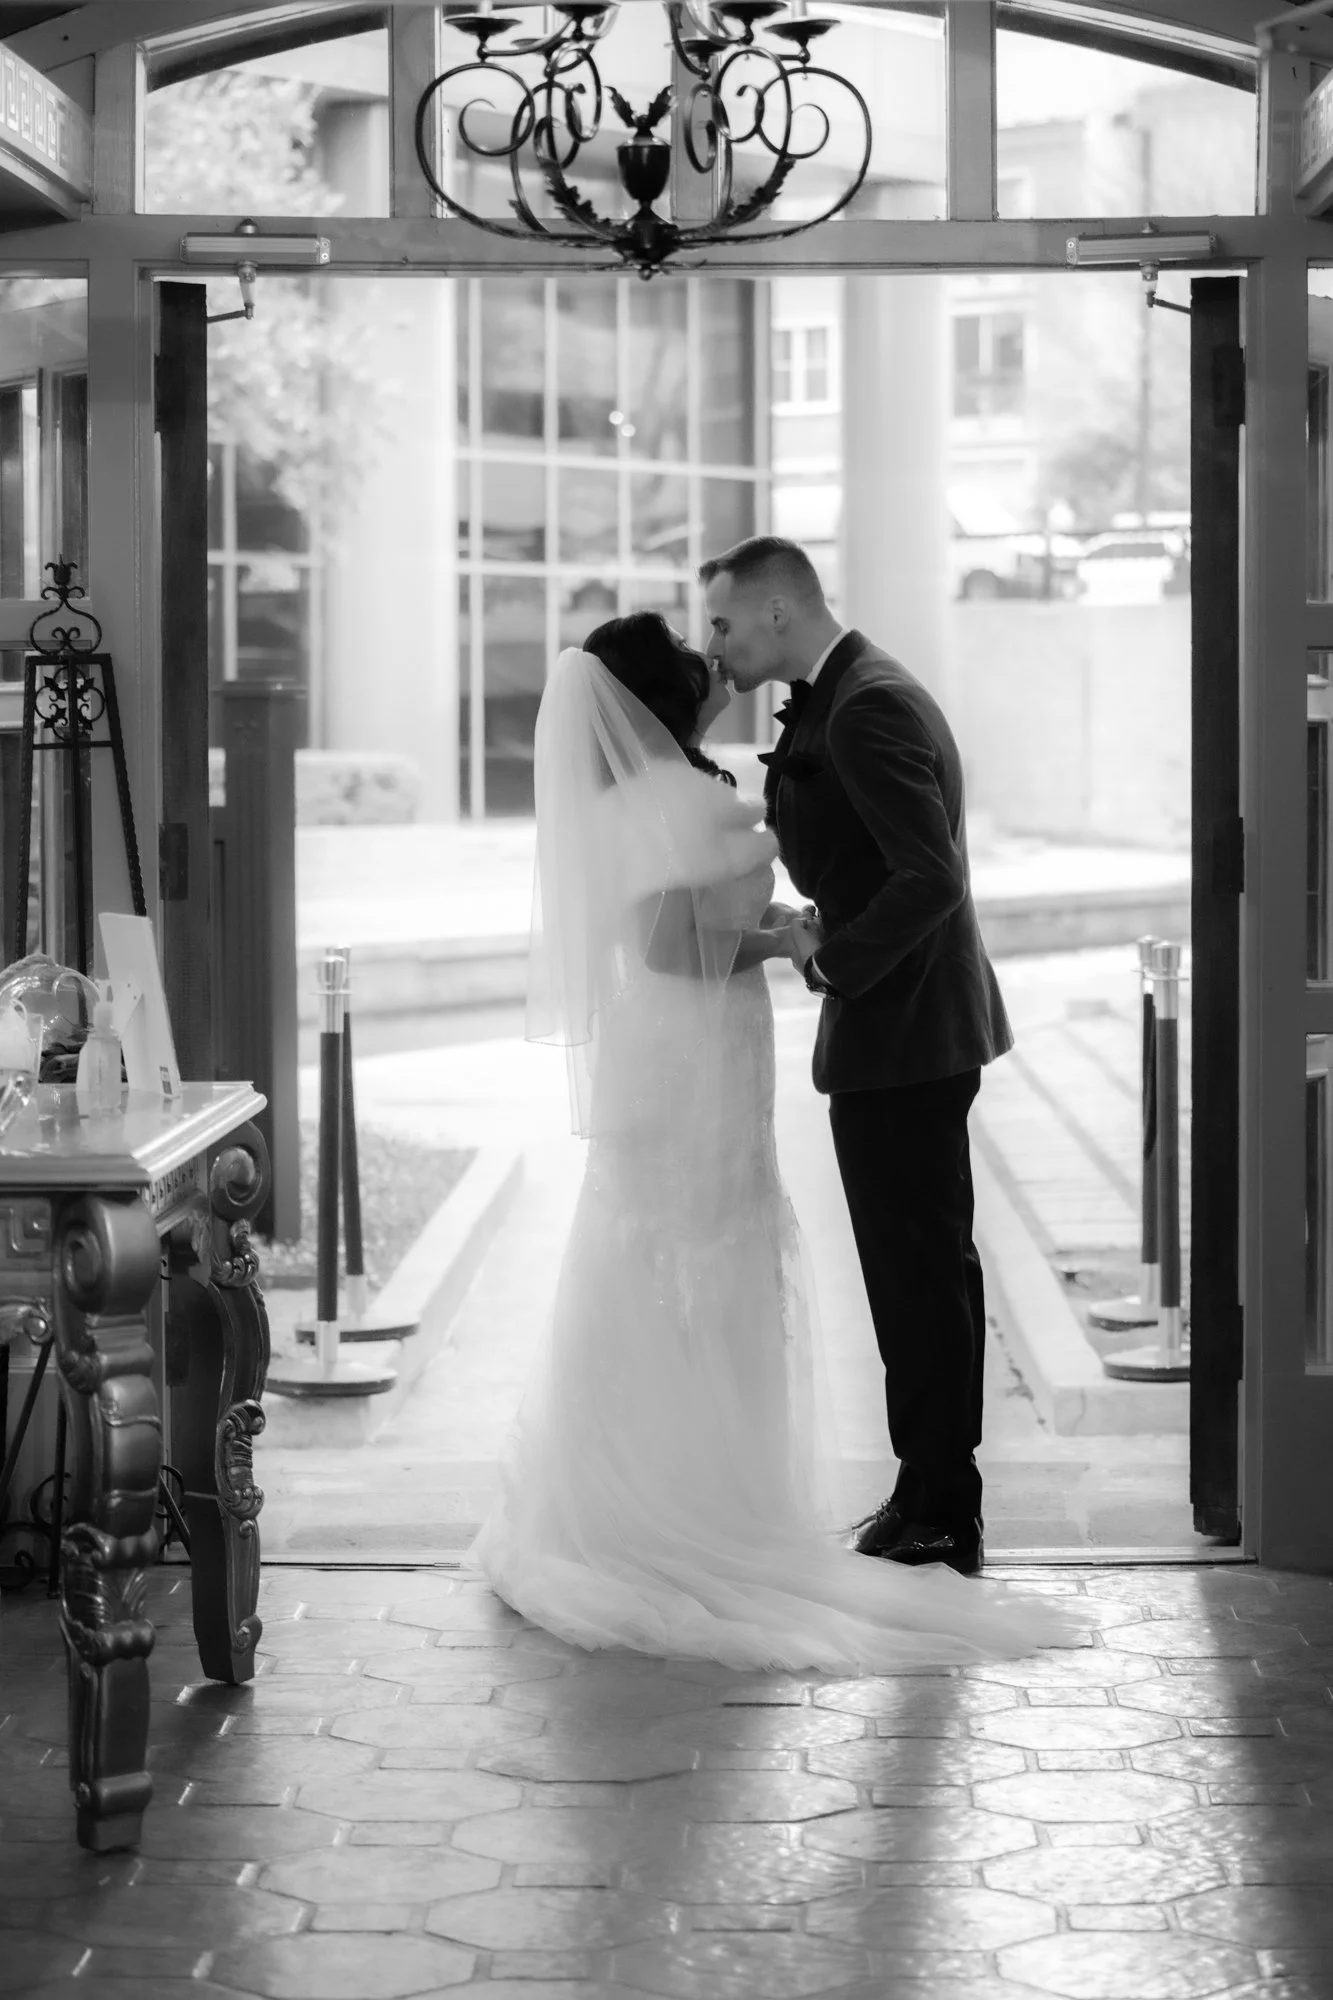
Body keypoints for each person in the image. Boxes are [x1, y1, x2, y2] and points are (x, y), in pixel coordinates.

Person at [467, 610, 1075, 1671]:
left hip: (697, 1041)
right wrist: (787, 936)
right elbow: (663, 939)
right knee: (696, 1245)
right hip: (692, 1042)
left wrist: (780, 926)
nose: (711, 655)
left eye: (716, 630)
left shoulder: (642, 791)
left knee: (675, 1246)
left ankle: (688, 1477)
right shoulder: (669, 795)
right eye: (691, 650)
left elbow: (679, 917)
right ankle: (696, 1495)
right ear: (661, 696)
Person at [700, 535, 1009, 1579]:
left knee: (920, 1270)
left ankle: (943, 1503)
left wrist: (827, 954)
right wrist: (817, 912)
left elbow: (930, 877)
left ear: (779, 612)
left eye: (725, 622)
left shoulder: (866, 704)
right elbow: (880, 862)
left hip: (907, 1033)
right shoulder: (848, 692)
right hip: (900, 1030)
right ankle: (927, 1485)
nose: (717, 644)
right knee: (913, 1269)